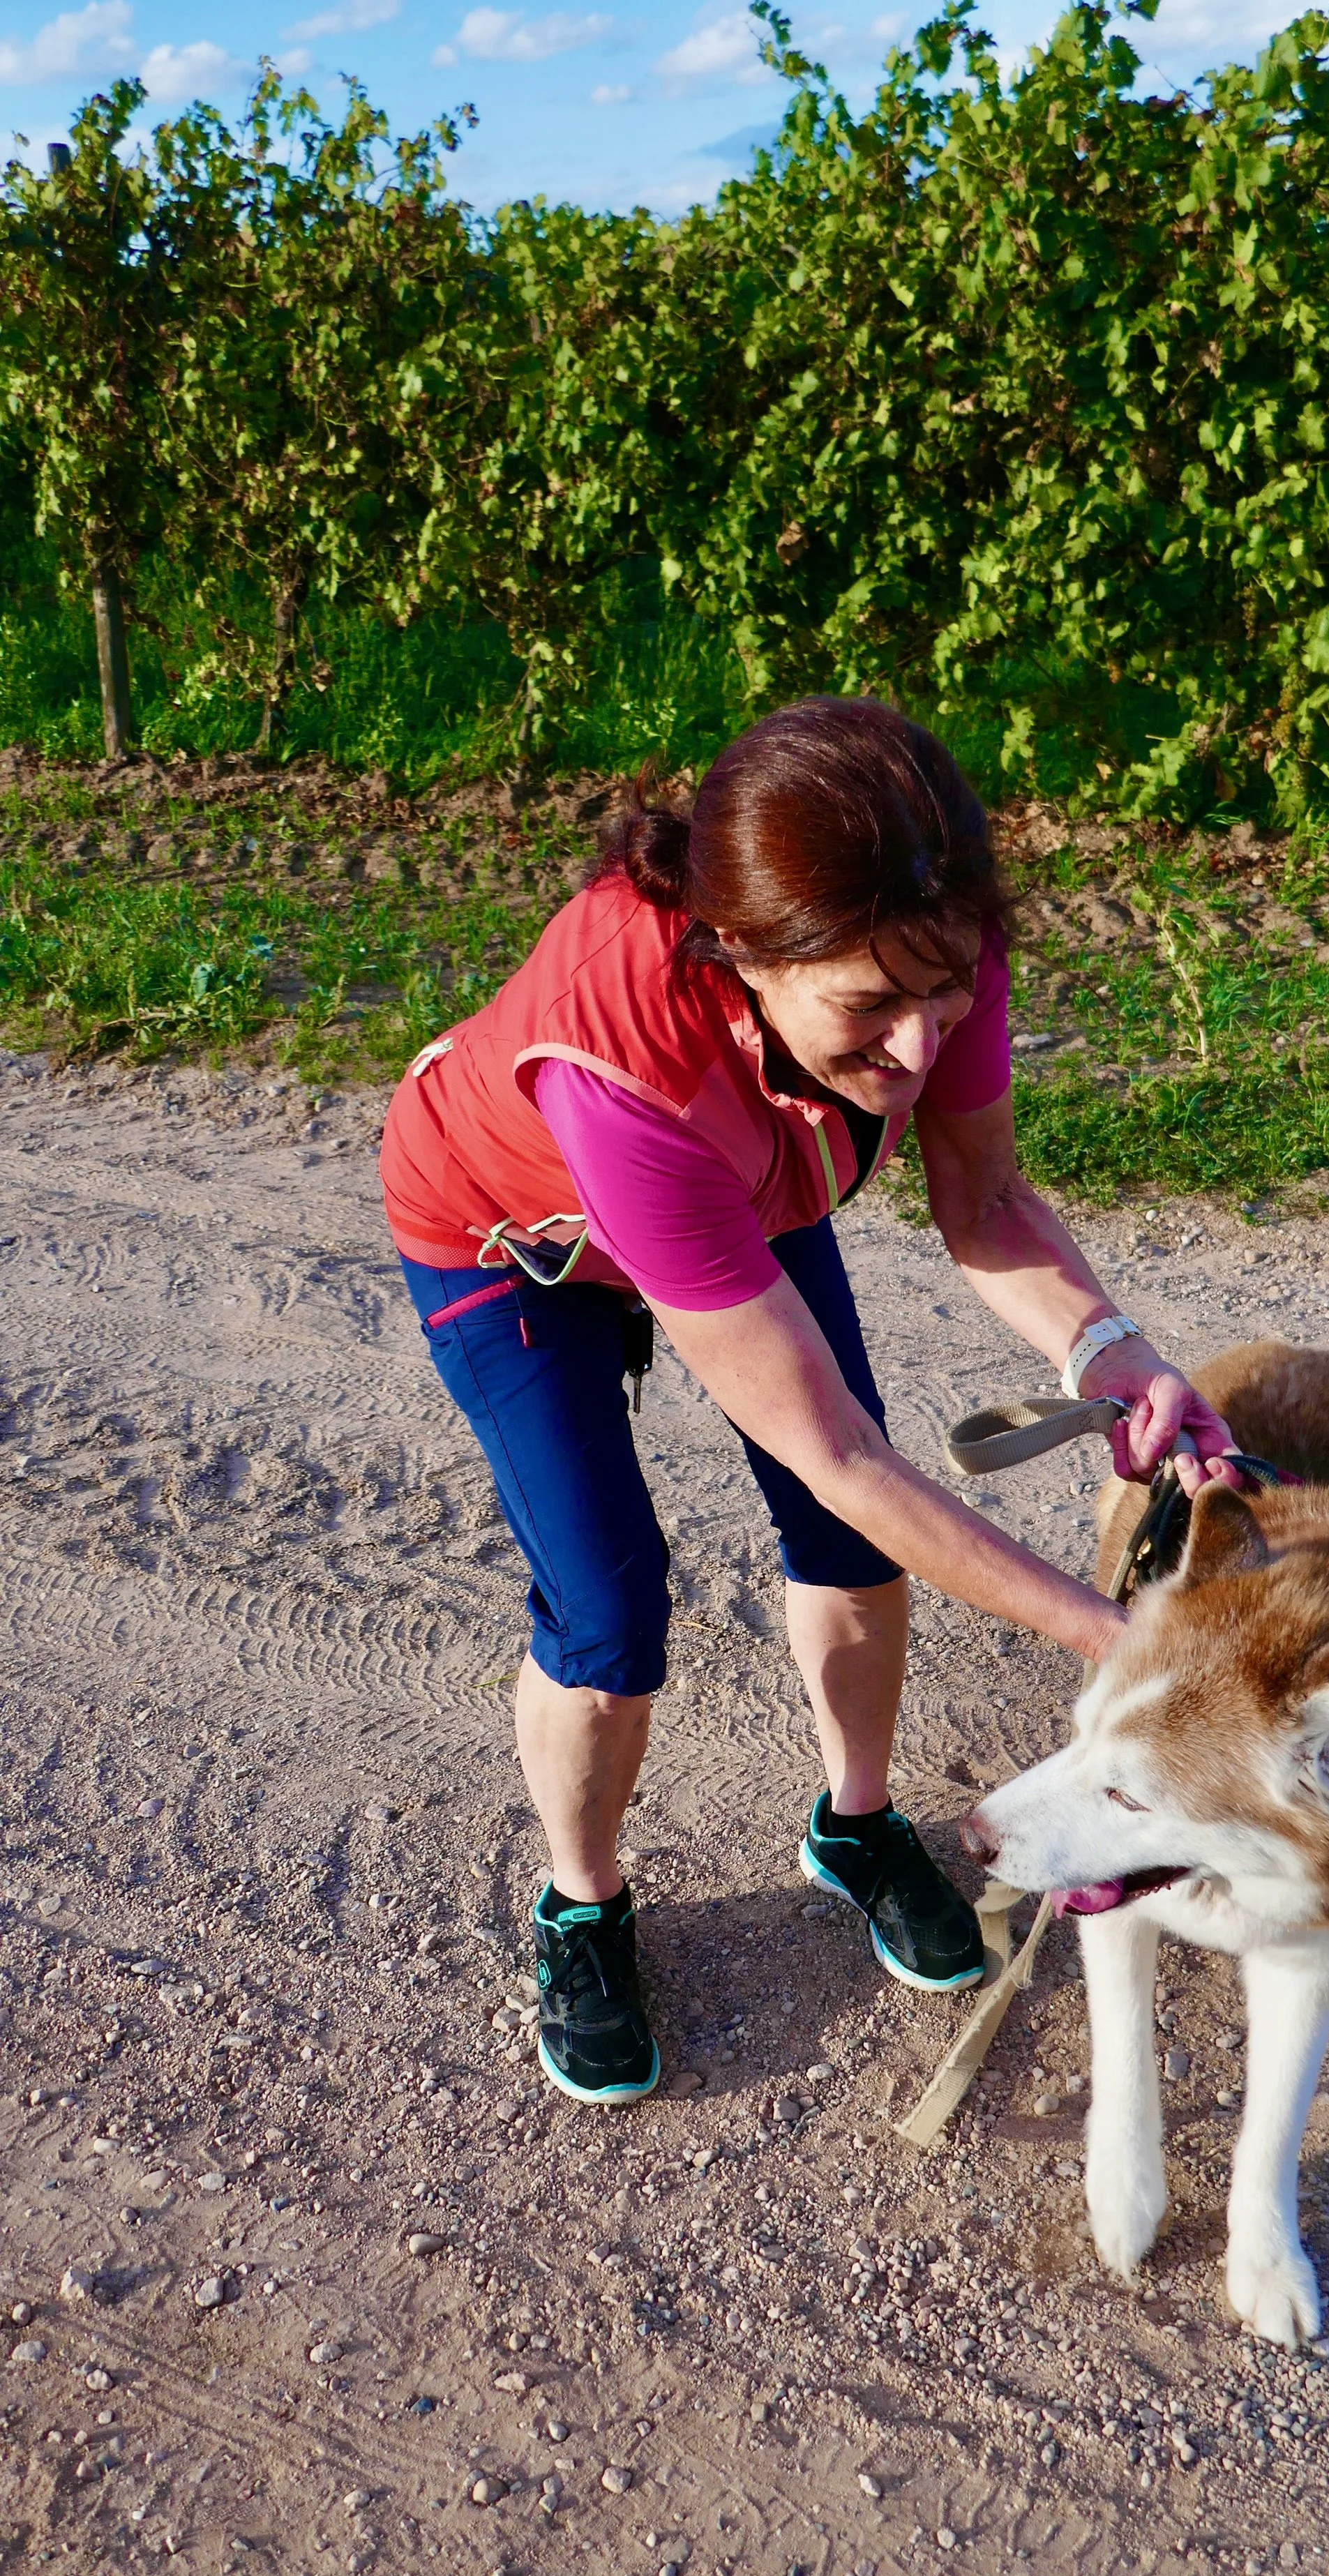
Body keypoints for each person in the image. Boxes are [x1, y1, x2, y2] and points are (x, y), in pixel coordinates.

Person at [379, 697, 1237, 2106]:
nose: (913, 1051)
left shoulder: (926, 936)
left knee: (844, 1551)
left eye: (941, 1004)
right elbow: (835, 1448)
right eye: (869, 1011)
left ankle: (851, 1823)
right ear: (740, 957)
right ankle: (581, 1904)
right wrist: (1110, 1635)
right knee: (608, 1617)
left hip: (740, 1179)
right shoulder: (624, 1071)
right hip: (510, 1241)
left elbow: (983, 1195)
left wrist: (1108, 1350)